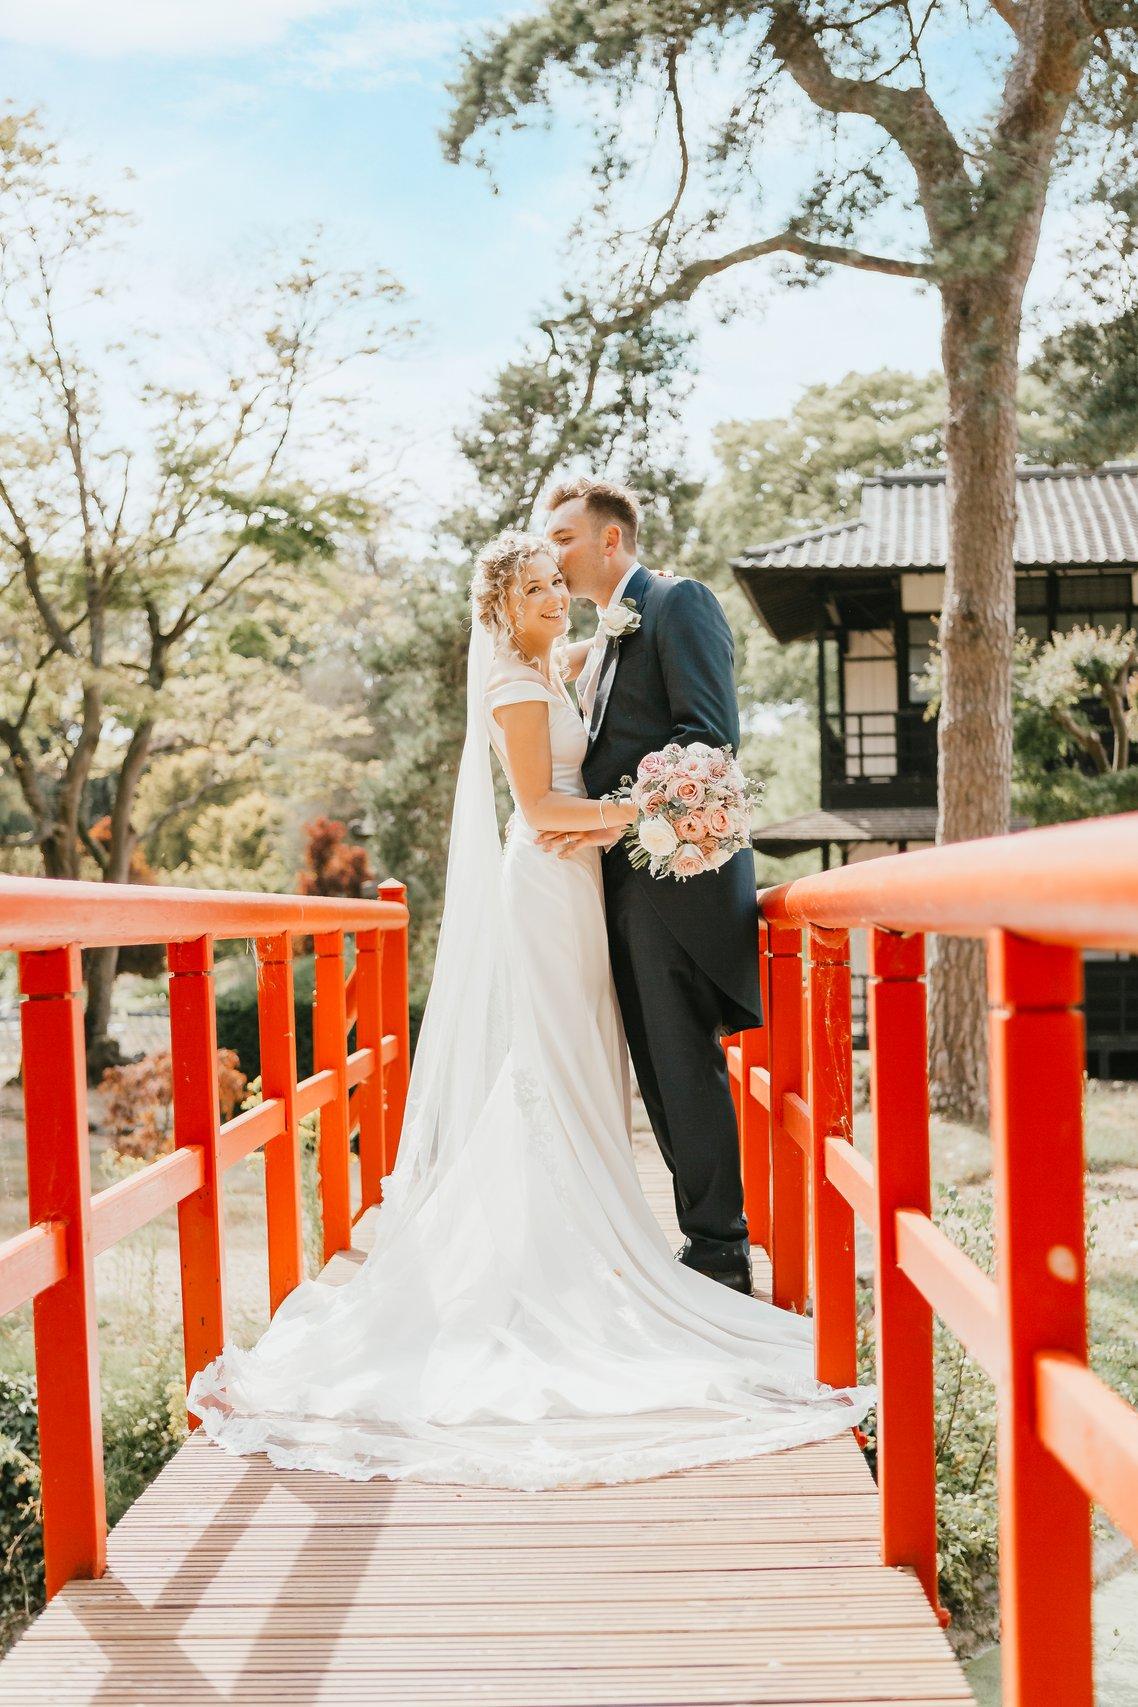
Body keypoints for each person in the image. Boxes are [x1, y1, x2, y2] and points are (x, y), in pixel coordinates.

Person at [186, 525, 874, 1490]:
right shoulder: (514, 685)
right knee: (550, 1064)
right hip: (551, 880)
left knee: (587, 1059)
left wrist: (658, 787)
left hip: (584, 890)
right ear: (503, 609)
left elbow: (638, 727)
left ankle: (604, 1235)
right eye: (538, 587)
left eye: (560, 580)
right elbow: (543, 813)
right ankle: (557, 1254)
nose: (557, 596)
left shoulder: (567, 667)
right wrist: (649, 810)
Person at [543, 477, 760, 1295]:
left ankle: (720, 1252)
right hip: (625, 889)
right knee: (662, 1074)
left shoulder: (678, 603)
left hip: (674, 884)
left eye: (564, 537)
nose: (553, 552)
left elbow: (707, 738)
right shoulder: (602, 638)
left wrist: (609, 816)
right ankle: (706, 1241)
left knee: (681, 1066)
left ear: (610, 541)